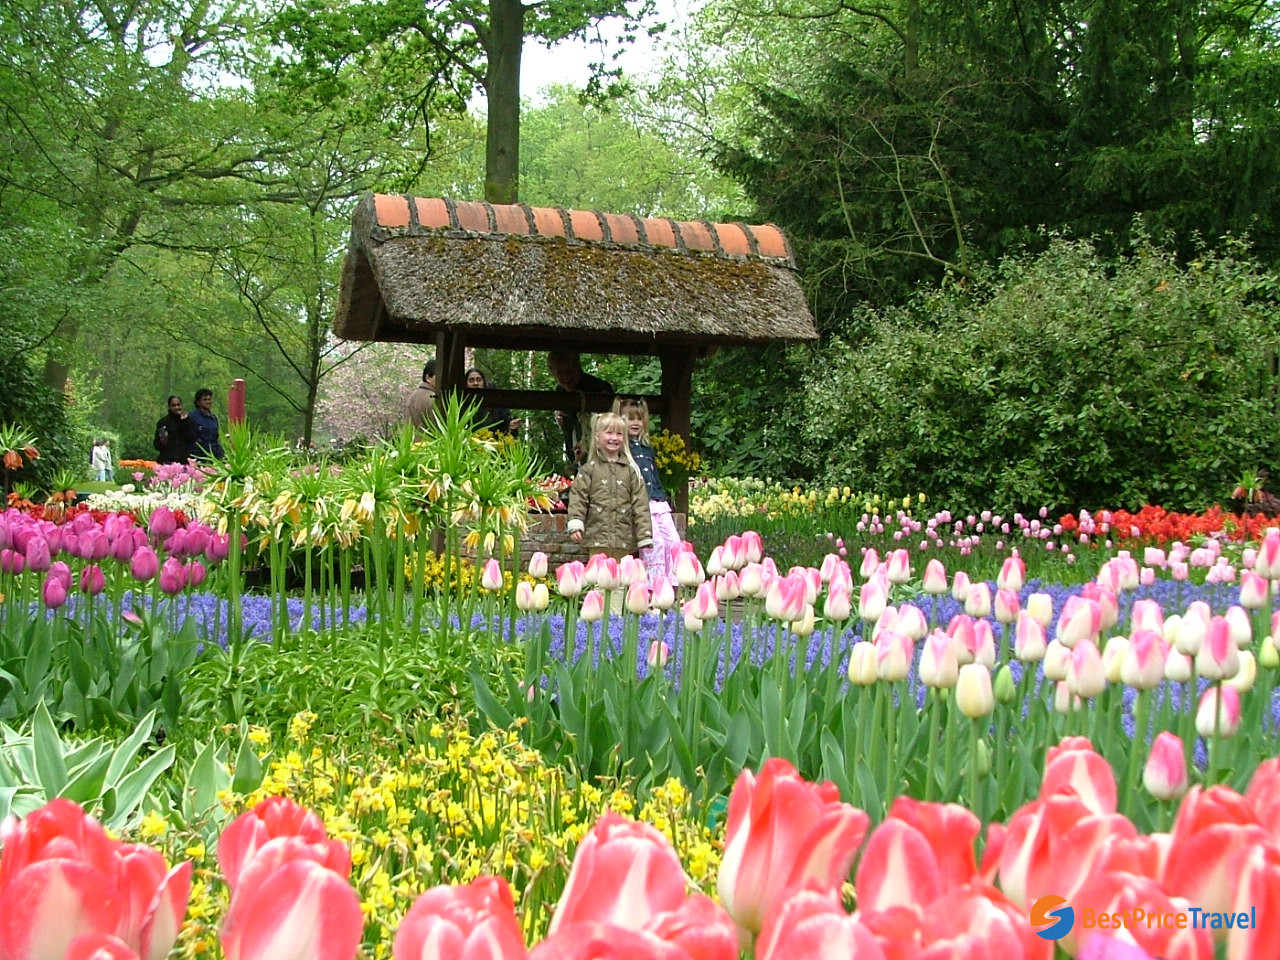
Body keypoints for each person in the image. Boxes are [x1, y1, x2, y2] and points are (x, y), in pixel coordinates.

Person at [567, 412, 652, 558]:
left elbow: (641, 504)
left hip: (623, 540)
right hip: (596, 539)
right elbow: (578, 498)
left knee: (621, 578)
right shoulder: (589, 470)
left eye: (619, 434)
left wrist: (644, 534)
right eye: (609, 433)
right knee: (598, 578)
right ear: (597, 437)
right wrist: (576, 523)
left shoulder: (631, 471)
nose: (614, 438)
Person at [615, 398, 682, 584]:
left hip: (657, 501)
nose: (635, 423)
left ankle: (672, 583)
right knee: (655, 543)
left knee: (674, 542)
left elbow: (654, 476)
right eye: (630, 418)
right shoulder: (622, 449)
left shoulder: (647, 448)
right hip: (641, 504)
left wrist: (663, 495)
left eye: (639, 419)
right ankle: (653, 585)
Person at [549, 350, 614, 469]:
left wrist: (586, 443)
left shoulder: (599, 388)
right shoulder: (560, 392)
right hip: (576, 460)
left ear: (577, 367)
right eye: (560, 373)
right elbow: (568, 425)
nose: (565, 377)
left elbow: (612, 427)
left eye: (569, 372)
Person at [465, 367, 523, 435]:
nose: (475, 383)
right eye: (471, 380)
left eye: (478, 380)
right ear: (466, 384)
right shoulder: (462, 403)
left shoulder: (495, 400)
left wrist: (511, 426)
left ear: (484, 382)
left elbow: (504, 422)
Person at [153, 395, 196, 464]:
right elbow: (156, 445)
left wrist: (184, 422)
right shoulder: (163, 422)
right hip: (167, 460)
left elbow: (193, 439)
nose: (177, 407)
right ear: (169, 407)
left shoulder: (189, 421)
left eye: (178, 405)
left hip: (184, 461)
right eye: (173, 405)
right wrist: (163, 443)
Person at [189, 387, 225, 461]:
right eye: (205, 400)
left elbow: (215, 439)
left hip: (213, 456)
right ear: (198, 402)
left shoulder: (213, 418)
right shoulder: (192, 417)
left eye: (209, 399)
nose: (208, 402)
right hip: (198, 457)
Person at [405, 359, 436, 431]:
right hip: (428, 441)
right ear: (428, 377)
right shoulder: (433, 398)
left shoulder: (413, 395)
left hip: (410, 440)